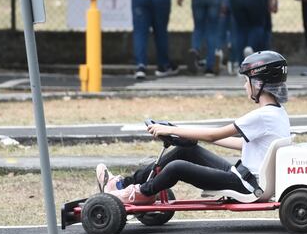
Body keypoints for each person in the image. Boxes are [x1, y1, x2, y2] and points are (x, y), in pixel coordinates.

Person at [96, 50, 291, 204]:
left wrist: (171, 130)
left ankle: (140, 193)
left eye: (246, 81)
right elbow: (243, 145)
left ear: (258, 84)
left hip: (246, 185)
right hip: (244, 176)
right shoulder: (277, 112)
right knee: (186, 151)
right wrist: (184, 132)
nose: (244, 87)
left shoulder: (262, 115)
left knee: (177, 167)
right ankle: (122, 184)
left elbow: (214, 135)